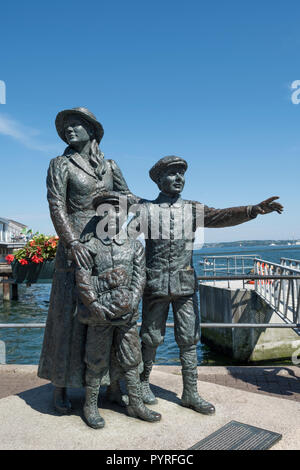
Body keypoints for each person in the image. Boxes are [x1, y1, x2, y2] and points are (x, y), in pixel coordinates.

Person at [131, 155, 283, 414]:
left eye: (182, 173)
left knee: (189, 339)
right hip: (154, 284)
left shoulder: (192, 209)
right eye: (172, 173)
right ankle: (143, 382)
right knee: (150, 337)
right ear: (158, 180)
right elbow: (124, 241)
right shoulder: (145, 210)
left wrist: (252, 210)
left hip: (185, 285)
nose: (179, 178)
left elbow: (222, 216)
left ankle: (190, 392)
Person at [38, 107, 133, 413]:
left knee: (110, 317)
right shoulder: (60, 164)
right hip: (75, 250)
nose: (69, 130)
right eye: (66, 126)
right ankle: (60, 386)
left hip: (107, 249)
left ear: (92, 130)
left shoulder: (111, 165)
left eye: (76, 125)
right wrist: (72, 242)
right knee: (67, 319)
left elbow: (127, 198)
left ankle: (112, 385)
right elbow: (56, 206)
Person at [75, 192, 161, 428]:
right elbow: (82, 279)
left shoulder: (135, 246)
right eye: (106, 211)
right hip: (99, 316)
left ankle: (135, 403)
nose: (112, 215)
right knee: (95, 359)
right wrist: (94, 305)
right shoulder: (89, 246)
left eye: (118, 210)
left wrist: (133, 301)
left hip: (127, 316)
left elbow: (139, 277)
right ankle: (90, 405)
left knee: (132, 358)